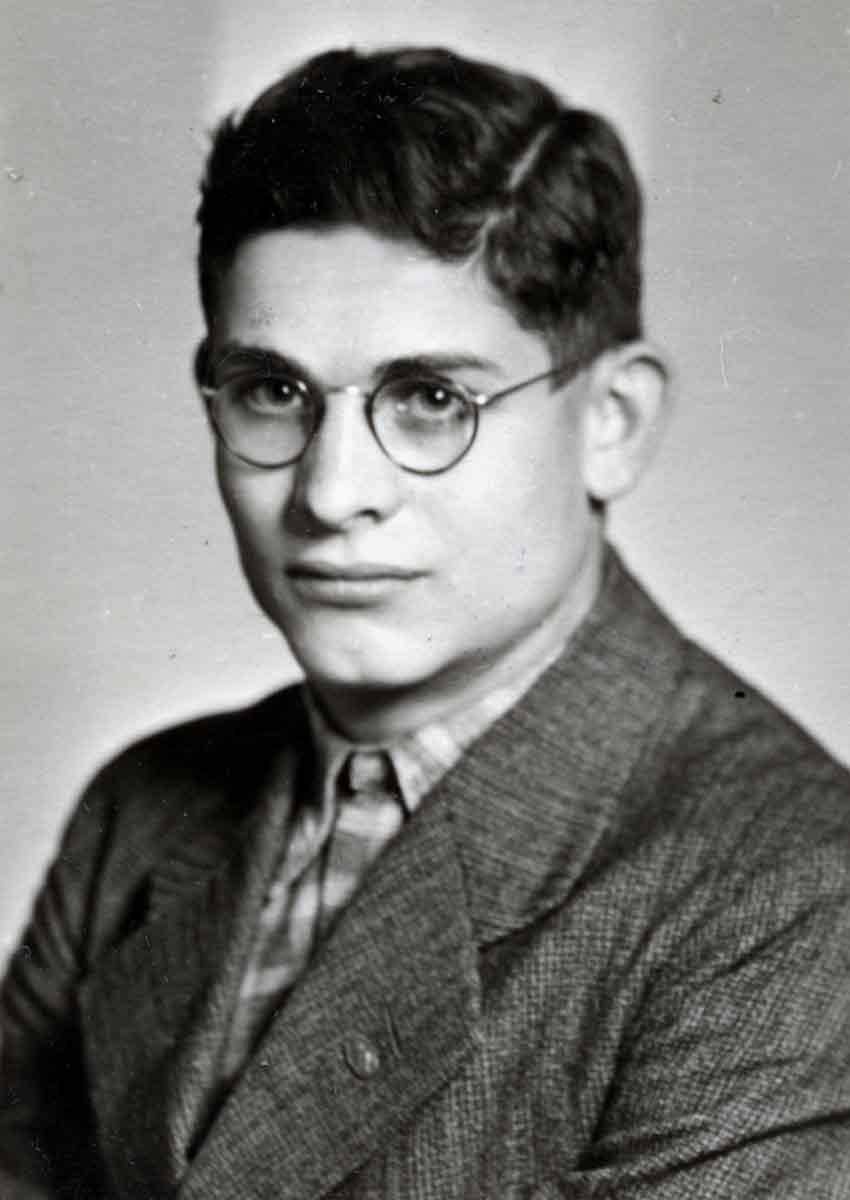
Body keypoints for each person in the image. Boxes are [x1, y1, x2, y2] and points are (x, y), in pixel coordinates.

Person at [2, 45, 849, 1200]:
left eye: (431, 400)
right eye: (273, 392)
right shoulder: (140, 812)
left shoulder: (791, 893)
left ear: (612, 420)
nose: (330, 492)